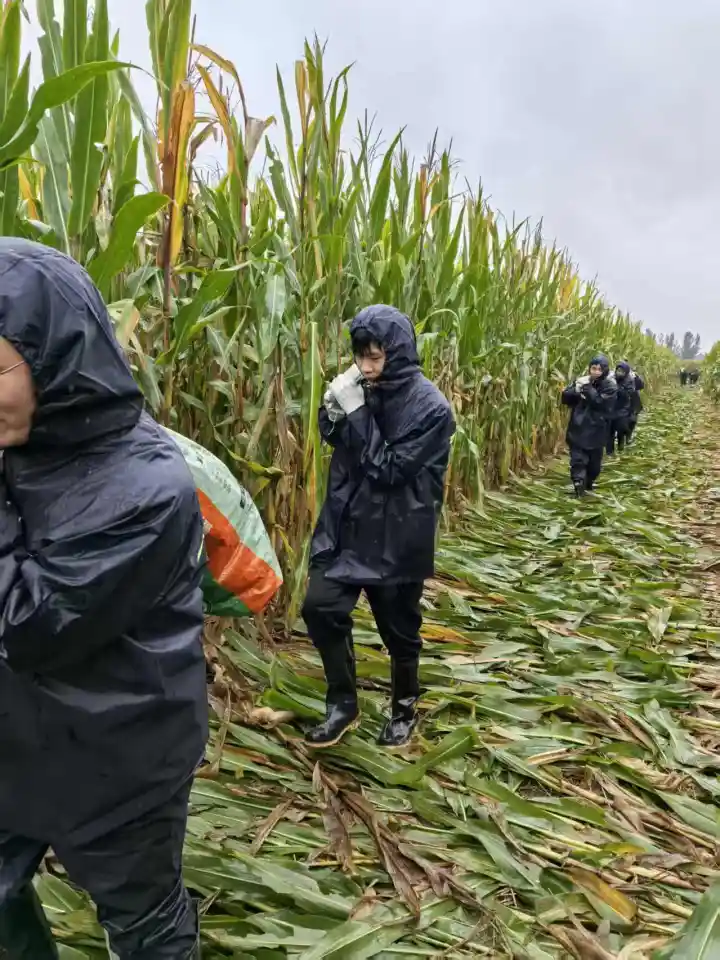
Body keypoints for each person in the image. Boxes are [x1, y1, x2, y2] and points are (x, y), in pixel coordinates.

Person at [0, 240, 207, 959]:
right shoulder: (19, 449)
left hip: (121, 758)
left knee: (144, 923)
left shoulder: (146, 490)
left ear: (56, 356)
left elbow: (25, 625)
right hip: (14, 738)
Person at [302, 305, 455, 749]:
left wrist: (356, 413)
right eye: (360, 356)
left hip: (396, 534)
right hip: (347, 527)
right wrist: (331, 414)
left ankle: (405, 707)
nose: (365, 368)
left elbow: (388, 469)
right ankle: (342, 704)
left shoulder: (432, 410)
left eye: (375, 357)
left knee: (400, 631)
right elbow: (341, 441)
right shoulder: (363, 388)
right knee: (320, 606)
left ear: (399, 352)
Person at [561, 354, 617, 497]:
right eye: (593, 368)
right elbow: (565, 398)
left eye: (600, 369)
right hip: (578, 428)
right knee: (578, 460)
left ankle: (588, 482)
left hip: (597, 431)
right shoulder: (582, 382)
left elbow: (603, 404)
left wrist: (590, 392)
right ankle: (578, 483)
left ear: (605, 370)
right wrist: (575, 390)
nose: (596, 372)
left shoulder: (609, 386)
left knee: (594, 467)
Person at [606, 361, 635, 456]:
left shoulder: (629, 380)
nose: (619, 372)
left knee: (621, 429)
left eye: (622, 371)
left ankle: (621, 444)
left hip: (622, 409)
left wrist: (616, 387)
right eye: (618, 370)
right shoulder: (611, 378)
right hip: (610, 409)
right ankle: (610, 452)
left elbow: (628, 394)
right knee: (609, 432)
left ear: (626, 372)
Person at [627, 363, 645, 444]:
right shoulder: (618, 376)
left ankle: (628, 437)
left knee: (633, 420)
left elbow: (641, 386)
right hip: (622, 403)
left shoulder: (634, 377)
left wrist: (636, 377)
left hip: (634, 402)